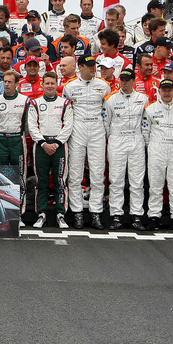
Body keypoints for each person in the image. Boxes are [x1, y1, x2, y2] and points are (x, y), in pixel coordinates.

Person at [61, 55, 113, 229]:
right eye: (89, 65)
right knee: (75, 173)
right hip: (78, 130)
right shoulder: (69, 87)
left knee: (98, 173)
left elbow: (107, 111)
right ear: (80, 67)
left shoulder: (104, 86)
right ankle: (77, 212)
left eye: (94, 65)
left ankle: (96, 212)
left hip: (97, 130)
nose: (93, 68)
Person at [104, 68, 149, 231]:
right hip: (117, 139)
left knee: (137, 180)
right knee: (116, 179)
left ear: (133, 81)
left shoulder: (143, 98)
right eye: (122, 79)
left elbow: (146, 122)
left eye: (127, 80)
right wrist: (112, 138)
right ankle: (116, 215)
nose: (124, 82)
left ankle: (136, 215)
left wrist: (144, 140)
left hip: (136, 138)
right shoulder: (111, 99)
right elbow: (106, 123)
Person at [27, 72, 73, 229]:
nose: (50, 86)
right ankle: (41, 214)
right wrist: (43, 143)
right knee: (42, 182)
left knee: (60, 181)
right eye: (47, 83)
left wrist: (57, 143)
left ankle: (61, 214)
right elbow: (32, 126)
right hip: (41, 146)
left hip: (59, 146)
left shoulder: (65, 103)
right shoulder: (35, 103)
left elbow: (68, 126)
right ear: (42, 84)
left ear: (57, 84)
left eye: (52, 83)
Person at [142, 79, 173, 231]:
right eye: (164, 90)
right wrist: (152, 145)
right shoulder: (150, 109)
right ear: (159, 91)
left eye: (169, 90)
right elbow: (145, 132)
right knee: (155, 183)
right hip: (157, 146)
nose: (167, 93)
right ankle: (154, 216)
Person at [0, 70, 29, 166]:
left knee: (20, 170)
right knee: (0, 169)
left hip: (18, 139)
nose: (6, 84)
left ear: (16, 83)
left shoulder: (25, 100)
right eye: (5, 81)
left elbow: (27, 124)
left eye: (10, 82)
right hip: (1, 139)